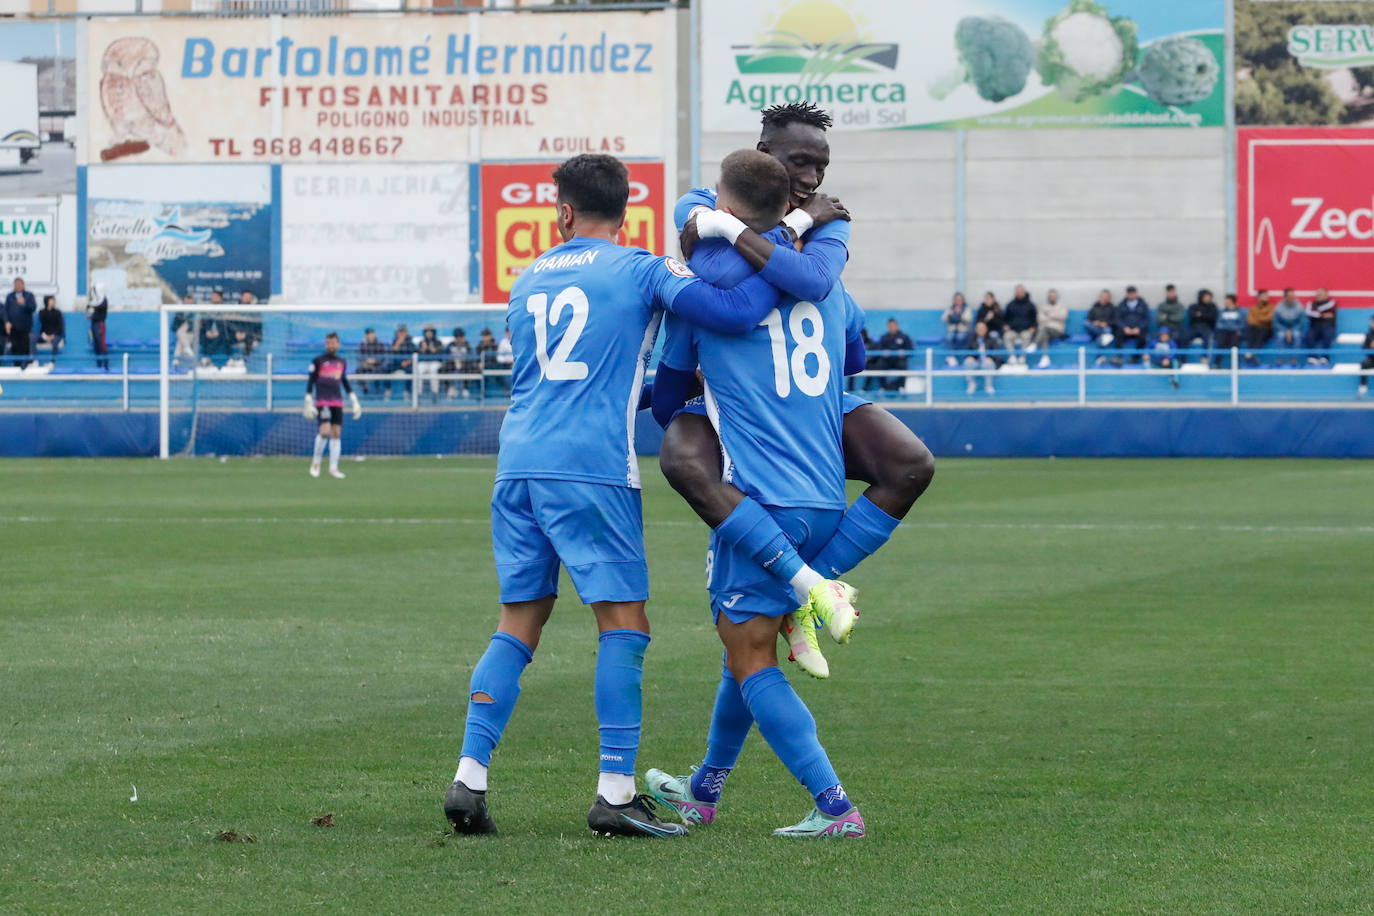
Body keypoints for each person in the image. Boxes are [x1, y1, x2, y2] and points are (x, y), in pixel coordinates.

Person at [444, 152, 794, 840]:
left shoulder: (526, 280)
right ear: (625, 212)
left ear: (565, 213)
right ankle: (615, 791)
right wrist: (781, 244)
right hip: (590, 467)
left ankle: (469, 778)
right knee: (624, 625)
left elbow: (560, 376)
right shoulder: (642, 268)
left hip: (517, 463)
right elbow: (734, 310)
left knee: (518, 620)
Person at [663, 101, 933, 678]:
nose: (812, 179)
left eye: (822, 165)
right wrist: (792, 229)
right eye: (800, 162)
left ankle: (806, 587)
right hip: (745, 395)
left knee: (911, 465)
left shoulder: (829, 216)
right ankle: (803, 586)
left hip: (808, 393)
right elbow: (725, 282)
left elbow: (813, 280)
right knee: (680, 456)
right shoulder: (700, 202)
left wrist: (749, 233)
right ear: (764, 156)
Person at [644, 149, 864, 839]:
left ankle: (835, 808)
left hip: (759, 500)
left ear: (725, 210)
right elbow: (854, 360)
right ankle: (702, 792)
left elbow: (664, 402)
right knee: (745, 649)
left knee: (749, 657)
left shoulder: (706, 296)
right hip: (828, 490)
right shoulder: (828, 288)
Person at [303, 332, 361, 479]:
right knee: (324, 431)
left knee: (336, 433)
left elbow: (344, 381)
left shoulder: (342, 362)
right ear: (325, 344)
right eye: (328, 342)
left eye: (333, 342)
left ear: (338, 344)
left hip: (337, 401)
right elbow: (311, 381)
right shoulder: (318, 361)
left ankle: (333, 468)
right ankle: (316, 463)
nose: (331, 345)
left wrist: (354, 399)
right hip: (323, 401)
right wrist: (308, 399)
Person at [4, 277, 37, 368]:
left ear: (23, 285)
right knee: (15, 347)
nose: (17, 286)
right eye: (16, 284)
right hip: (13, 328)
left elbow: (33, 308)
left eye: (19, 284)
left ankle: (25, 366)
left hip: (25, 327)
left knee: (25, 347)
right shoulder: (10, 296)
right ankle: (16, 365)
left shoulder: (29, 296)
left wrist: (24, 303)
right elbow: (5, 311)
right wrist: (7, 322)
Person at [963, 320, 1002, 395]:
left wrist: (991, 358)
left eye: (982, 328)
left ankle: (988, 385)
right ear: (976, 329)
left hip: (987, 362)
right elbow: (967, 351)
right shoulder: (972, 339)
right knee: (967, 362)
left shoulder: (992, 339)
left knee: (989, 364)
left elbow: (997, 353)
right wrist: (969, 356)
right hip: (976, 362)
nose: (980, 330)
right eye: (979, 328)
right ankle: (971, 384)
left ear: (986, 329)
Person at [1002, 284, 1037, 365]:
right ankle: (1012, 356)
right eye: (1018, 292)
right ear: (1015, 293)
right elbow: (1005, 319)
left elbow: (1034, 320)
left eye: (1021, 292)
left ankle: (1022, 357)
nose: (1020, 293)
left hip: (1025, 330)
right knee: (1007, 336)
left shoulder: (1030, 305)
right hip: (1013, 330)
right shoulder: (1010, 305)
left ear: (1024, 292)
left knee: (1027, 336)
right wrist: (1005, 326)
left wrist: (1033, 327)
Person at [1114, 285, 1150, 365]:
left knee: (1143, 338)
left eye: (1132, 293)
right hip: (1126, 330)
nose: (1131, 295)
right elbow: (1118, 318)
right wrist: (1124, 328)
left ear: (1136, 293)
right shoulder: (1122, 304)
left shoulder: (1143, 305)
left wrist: (1139, 328)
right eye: (1129, 293)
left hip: (1138, 330)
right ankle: (1118, 357)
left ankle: (1135, 357)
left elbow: (1146, 319)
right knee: (1118, 334)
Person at [1032, 288, 1068, 367]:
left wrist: (1048, 314)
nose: (1052, 298)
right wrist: (1054, 316)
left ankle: (1034, 344)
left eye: (1054, 296)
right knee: (1044, 333)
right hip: (1045, 330)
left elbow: (1062, 316)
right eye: (1050, 296)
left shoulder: (1062, 306)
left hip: (1058, 331)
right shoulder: (1042, 307)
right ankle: (1045, 357)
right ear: (1048, 297)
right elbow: (1040, 319)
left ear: (1057, 297)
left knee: (1043, 329)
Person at [875, 317, 911, 391]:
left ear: (897, 326)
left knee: (903, 365)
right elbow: (879, 349)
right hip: (887, 360)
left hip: (899, 360)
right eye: (890, 326)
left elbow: (910, 349)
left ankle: (901, 387)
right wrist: (883, 353)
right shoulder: (884, 337)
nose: (892, 327)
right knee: (880, 365)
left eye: (893, 325)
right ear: (888, 327)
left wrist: (904, 353)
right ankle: (883, 387)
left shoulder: (904, 337)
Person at [1304, 288, 1337, 365]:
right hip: (1315, 326)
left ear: (1326, 295)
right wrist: (1323, 315)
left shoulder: (1332, 303)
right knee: (1309, 336)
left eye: (1321, 294)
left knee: (1328, 335)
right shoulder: (1311, 304)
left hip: (1328, 326)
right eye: (1317, 294)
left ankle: (1325, 357)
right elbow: (1308, 312)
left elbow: (1329, 307)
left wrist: (1315, 312)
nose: (1318, 296)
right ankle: (1312, 357)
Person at [1274, 288, 1305, 367]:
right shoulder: (1279, 307)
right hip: (1282, 329)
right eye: (1290, 296)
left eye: (1293, 296)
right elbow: (1276, 322)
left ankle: (1294, 359)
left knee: (1297, 335)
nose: (1292, 298)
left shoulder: (1299, 306)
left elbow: (1301, 322)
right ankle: (1281, 359)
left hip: (1295, 329)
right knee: (1280, 336)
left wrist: (1291, 331)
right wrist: (1286, 331)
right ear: (1285, 297)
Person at [1184, 289, 1218, 359]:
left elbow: (1212, 317)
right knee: (1184, 336)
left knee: (1208, 337)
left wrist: (1201, 315)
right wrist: (1205, 315)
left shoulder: (1213, 306)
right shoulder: (1193, 306)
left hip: (1207, 328)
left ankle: (1205, 358)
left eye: (1209, 297)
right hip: (1194, 328)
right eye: (1206, 296)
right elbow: (1192, 317)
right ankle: (1182, 359)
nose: (1208, 298)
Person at [384, 324, 416, 399]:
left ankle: (407, 391)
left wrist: (408, 362)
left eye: (403, 332)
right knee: (385, 368)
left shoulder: (410, 343)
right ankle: (388, 389)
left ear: (406, 332)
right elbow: (390, 353)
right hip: (395, 363)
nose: (401, 334)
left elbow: (414, 355)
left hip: (406, 364)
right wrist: (398, 344)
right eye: (400, 332)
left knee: (411, 371)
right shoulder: (394, 342)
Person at [1245, 289, 1275, 366]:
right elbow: (1250, 321)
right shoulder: (1253, 308)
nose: (1266, 297)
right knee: (1251, 331)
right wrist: (1262, 318)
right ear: (1258, 297)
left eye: (1267, 296)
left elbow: (1269, 318)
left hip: (1267, 330)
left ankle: (1251, 354)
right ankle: (1251, 354)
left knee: (1261, 331)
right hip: (1255, 329)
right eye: (1264, 296)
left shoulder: (1271, 307)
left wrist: (1257, 318)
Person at [1086, 289, 1116, 363]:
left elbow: (1115, 320)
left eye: (1106, 296)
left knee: (1106, 332)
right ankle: (1105, 336)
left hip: (1106, 327)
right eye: (1103, 296)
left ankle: (1099, 357)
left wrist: (1106, 323)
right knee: (1086, 323)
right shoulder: (1095, 306)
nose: (1104, 298)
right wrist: (1095, 322)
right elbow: (1089, 318)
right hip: (1095, 328)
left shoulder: (1112, 307)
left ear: (1109, 298)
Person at [1215, 294, 1245, 368]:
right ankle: (1217, 364)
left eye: (1228, 301)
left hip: (1235, 332)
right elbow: (1218, 324)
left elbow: (1241, 324)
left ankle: (1235, 365)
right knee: (1220, 343)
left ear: (1232, 301)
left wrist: (1231, 327)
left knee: (1235, 344)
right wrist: (1229, 327)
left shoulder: (1239, 312)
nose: (1226, 302)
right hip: (1224, 332)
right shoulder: (1222, 312)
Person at [416, 325, 445, 398]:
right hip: (424, 362)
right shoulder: (422, 342)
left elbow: (440, 354)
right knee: (419, 369)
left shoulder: (438, 342)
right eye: (427, 332)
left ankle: (434, 393)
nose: (429, 334)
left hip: (435, 362)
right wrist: (423, 349)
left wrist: (433, 349)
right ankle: (418, 393)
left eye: (430, 332)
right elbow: (418, 354)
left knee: (433, 370)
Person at [444, 327, 474, 398]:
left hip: (464, 365)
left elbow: (470, 357)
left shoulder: (467, 345)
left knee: (469, 368)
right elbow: (445, 355)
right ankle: (450, 388)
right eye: (457, 337)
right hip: (453, 364)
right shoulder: (450, 345)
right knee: (442, 369)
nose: (459, 339)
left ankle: (465, 388)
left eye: (461, 337)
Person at [85, 285, 110, 370]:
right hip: (94, 325)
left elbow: (98, 307)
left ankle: (106, 365)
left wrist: (91, 306)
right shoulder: (96, 300)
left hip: (100, 324)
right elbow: (90, 308)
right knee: (96, 346)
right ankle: (99, 364)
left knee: (101, 345)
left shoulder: (103, 300)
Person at [34, 296, 64, 362]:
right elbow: (43, 323)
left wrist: (53, 335)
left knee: (55, 341)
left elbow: (60, 327)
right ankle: (34, 360)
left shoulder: (58, 312)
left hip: (55, 335)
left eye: (54, 300)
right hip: (44, 334)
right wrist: (45, 336)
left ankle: (53, 362)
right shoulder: (42, 312)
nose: (53, 302)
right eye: (51, 300)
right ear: (47, 301)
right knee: (32, 338)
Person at [356, 327, 386, 394]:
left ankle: (377, 389)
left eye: (371, 333)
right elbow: (359, 356)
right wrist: (366, 361)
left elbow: (383, 357)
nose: (370, 335)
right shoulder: (363, 344)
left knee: (378, 371)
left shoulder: (380, 344)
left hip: (377, 365)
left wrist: (375, 361)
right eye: (368, 334)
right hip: (366, 365)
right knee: (358, 370)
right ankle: (364, 388)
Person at [1359, 315, 1374, 398]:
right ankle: (1362, 388)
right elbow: (1364, 348)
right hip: (1372, 358)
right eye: (1372, 322)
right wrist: (1370, 347)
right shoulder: (1369, 334)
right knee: (1364, 364)